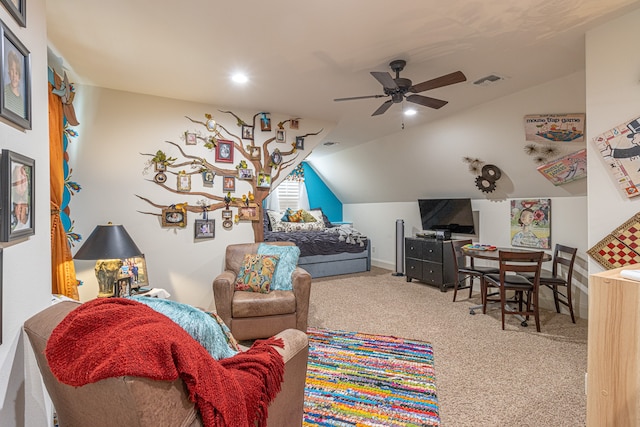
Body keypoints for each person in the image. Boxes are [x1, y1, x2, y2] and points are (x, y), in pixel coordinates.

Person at [4, 50, 24, 117]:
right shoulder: (4, 91)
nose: (14, 76)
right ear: (9, 73)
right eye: (12, 70)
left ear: (19, 76)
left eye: (16, 73)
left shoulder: (21, 101)